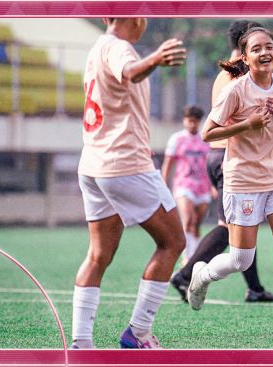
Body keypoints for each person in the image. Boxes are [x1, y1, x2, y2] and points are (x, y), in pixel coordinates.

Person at [71, 17, 187, 349]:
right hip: (125, 165)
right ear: (134, 17)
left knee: (98, 255)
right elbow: (131, 72)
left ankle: (81, 343)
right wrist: (156, 58)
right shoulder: (119, 48)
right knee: (173, 243)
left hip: (93, 165)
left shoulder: (96, 48)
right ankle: (138, 333)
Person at [188, 26, 273, 338]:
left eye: (269, 46)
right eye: (256, 48)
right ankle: (202, 275)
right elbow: (207, 133)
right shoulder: (236, 90)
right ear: (246, 57)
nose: (264, 52)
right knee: (242, 260)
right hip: (243, 181)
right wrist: (247, 124)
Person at [170, 20, 273, 303]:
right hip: (229, 155)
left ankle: (254, 288)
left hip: (220, 156)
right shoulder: (239, 72)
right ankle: (184, 276)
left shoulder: (225, 72)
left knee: (242, 224)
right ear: (245, 44)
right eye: (257, 43)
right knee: (228, 226)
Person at [162, 105, 211, 263]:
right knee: (188, 219)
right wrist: (163, 184)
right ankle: (187, 257)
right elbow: (168, 163)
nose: (192, 124)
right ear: (184, 120)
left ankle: (195, 255)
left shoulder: (206, 139)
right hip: (184, 185)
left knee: (197, 223)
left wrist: (214, 185)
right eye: (189, 121)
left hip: (203, 186)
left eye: (195, 121)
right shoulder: (177, 139)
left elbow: (210, 163)